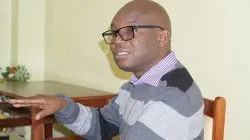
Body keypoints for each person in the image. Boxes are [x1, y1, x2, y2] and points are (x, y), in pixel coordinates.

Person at [8, 0, 204, 140]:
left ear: (162, 37)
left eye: (130, 31)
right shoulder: (136, 86)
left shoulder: (172, 100)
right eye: (114, 33)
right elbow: (101, 126)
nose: (116, 41)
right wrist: (63, 105)